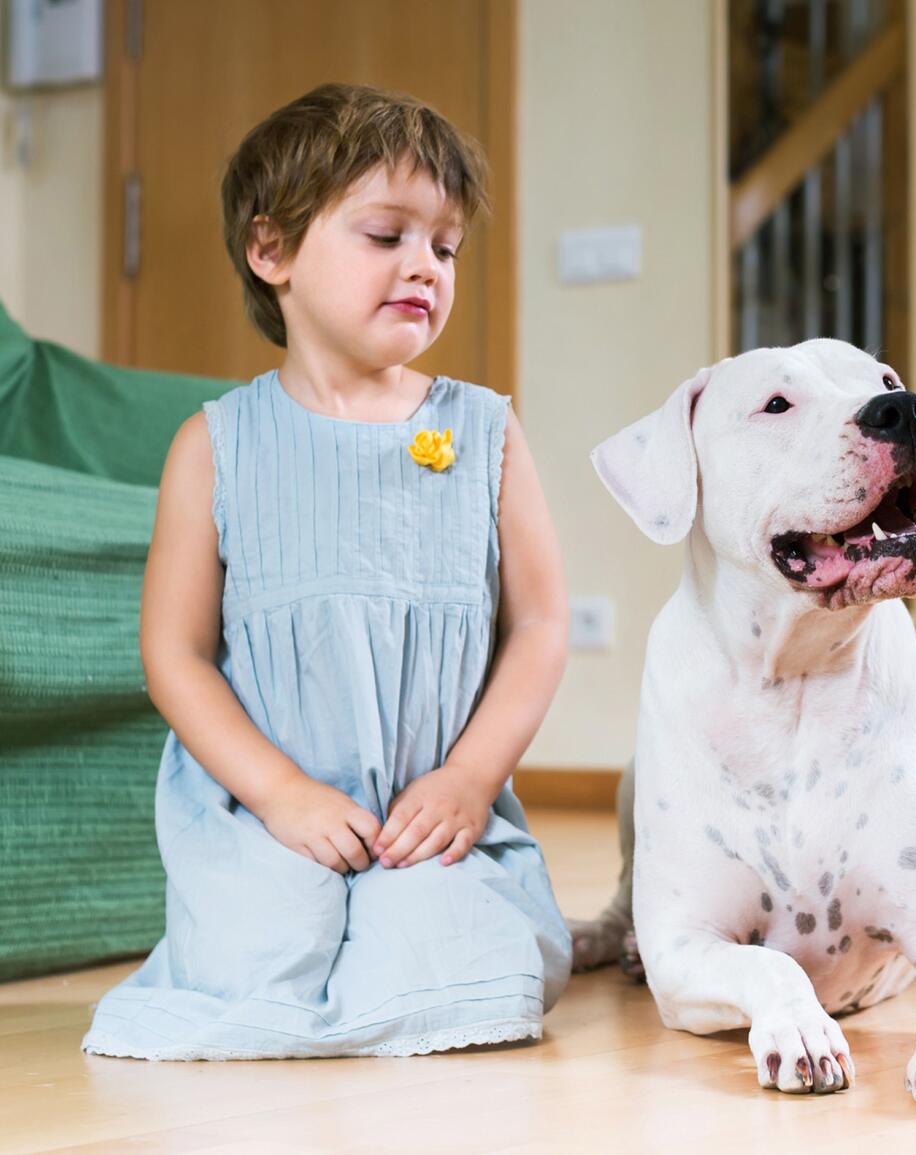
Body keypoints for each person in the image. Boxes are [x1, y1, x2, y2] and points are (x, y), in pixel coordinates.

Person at [82, 83, 572, 1060]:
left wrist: (471, 779)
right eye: (386, 234)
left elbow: (540, 625)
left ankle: (408, 945)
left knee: (470, 963)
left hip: (427, 817)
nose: (424, 266)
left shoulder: (481, 430)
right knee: (261, 951)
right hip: (264, 815)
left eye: (444, 246)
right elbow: (174, 653)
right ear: (272, 252)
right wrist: (277, 795)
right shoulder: (213, 445)